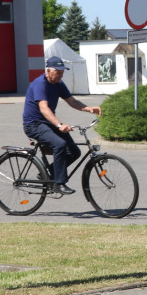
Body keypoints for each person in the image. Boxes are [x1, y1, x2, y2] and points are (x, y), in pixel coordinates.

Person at [22, 56, 102, 195]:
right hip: (34, 124)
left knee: (74, 152)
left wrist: (88, 108)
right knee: (60, 144)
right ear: (48, 71)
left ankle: (49, 172)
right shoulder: (40, 84)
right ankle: (59, 184)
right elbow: (44, 109)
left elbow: (72, 101)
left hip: (48, 123)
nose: (60, 75)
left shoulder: (58, 83)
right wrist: (59, 125)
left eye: (62, 72)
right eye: (58, 72)